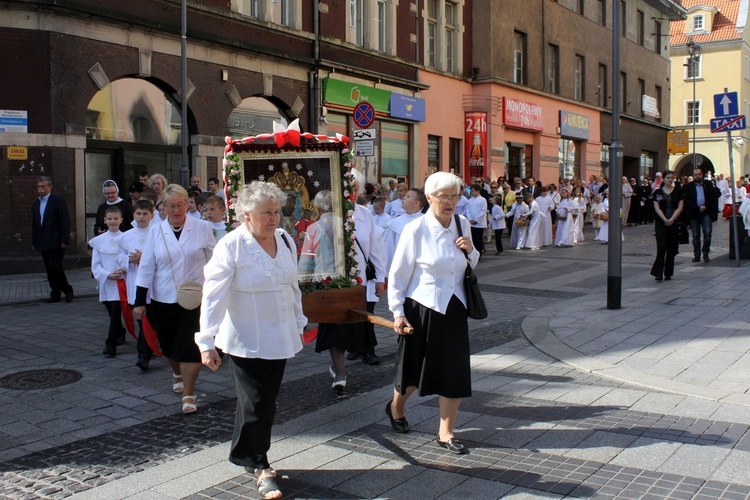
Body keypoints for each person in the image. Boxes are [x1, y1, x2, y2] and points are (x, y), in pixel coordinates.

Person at [196, 181, 306, 500]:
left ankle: (246, 454)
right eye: (266, 213)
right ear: (246, 215)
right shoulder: (231, 245)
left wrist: (299, 320)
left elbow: (292, 285)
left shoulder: (284, 239)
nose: (274, 218)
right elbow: (213, 295)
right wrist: (206, 341)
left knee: (264, 402)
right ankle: (261, 465)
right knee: (256, 402)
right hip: (247, 337)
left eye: (276, 211)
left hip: (280, 334)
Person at [387, 171, 478, 455]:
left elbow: (470, 265)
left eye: (454, 195)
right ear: (429, 198)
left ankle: (446, 432)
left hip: (454, 307)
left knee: (454, 370)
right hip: (421, 308)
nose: (450, 202)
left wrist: (471, 250)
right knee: (414, 371)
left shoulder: (463, 224)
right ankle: (396, 408)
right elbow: (398, 274)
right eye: (443, 197)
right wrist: (397, 312)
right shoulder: (415, 229)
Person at [133, 184, 216, 414]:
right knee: (168, 345)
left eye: (181, 204)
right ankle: (176, 372)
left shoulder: (201, 228)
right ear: (163, 208)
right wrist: (139, 302)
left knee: (190, 346)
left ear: (187, 205)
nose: (177, 210)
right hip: (164, 298)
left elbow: (215, 260)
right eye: (171, 206)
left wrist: (216, 288)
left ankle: (189, 395)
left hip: (194, 298)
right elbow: (147, 267)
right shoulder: (156, 231)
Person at [316, 172, 387, 379]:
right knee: (335, 327)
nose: (352, 192)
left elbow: (373, 248)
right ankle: (339, 370)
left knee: (356, 324)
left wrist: (380, 278)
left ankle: (356, 355)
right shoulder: (328, 213)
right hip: (334, 282)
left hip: (360, 282)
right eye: (348, 188)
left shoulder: (365, 214)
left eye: (356, 188)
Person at [116, 199, 155, 370]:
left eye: (145, 213)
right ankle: (144, 354)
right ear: (133, 215)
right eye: (138, 213)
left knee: (153, 320)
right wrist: (129, 259)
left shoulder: (157, 232)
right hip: (135, 281)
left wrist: (144, 257)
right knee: (143, 321)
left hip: (155, 285)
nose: (141, 217)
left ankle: (148, 349)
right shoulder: (125, 237)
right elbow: (118, 258)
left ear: (151, 216)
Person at [90, 206, 128, 356]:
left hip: (122, 282)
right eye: (110, 219)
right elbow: (96, 264)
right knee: (111, 312)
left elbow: (130, 259)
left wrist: (124, 269)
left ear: (121, 220)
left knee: (115, 313)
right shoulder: (98, 241)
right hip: (107, 282)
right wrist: (106, 275)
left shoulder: (126, 237)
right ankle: (120, 332)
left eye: (115, 218)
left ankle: (110, 344)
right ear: (105, 220)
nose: (113, 221)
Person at [32, 176, 75, 303]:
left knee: (55, 266)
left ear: (50, 187)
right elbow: (35, 224)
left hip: (56, 241)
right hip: (42, 241)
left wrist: (64, 240)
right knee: (49, 268)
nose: (40, 189)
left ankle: (67, 289)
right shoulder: (36, 203)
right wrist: (34, 241)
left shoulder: (57, 201)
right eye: (39, 187)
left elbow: (64, 221)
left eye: (43, 186)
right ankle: (55, 293)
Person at [650, 170, 684, 282]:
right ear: (663, 179)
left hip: (673, 222)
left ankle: (668, 272)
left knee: (671, 247)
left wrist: (671, 219)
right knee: (661, 246)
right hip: (661, 223)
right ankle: (658, 272)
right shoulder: (658, 192)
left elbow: (680, 206)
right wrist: (665, 219)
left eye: (672, 177)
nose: (670, 179)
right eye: (668, 177)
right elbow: (656, 207)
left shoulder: (678, 192)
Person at [384, 188, 426, 270]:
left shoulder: (426, 221)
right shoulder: (395, 223)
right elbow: (388, 249)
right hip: (399, 268)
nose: (403, 197)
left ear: (416, 203)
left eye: (408, 196)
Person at [683, 168, 717, 263]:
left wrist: (705, 206)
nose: (697, 176)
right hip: (694, 213)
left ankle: (705, 253)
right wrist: (697, 208)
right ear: (693, 176)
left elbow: (713, 197)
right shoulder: (688, 187)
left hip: (706, 212)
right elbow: (686, 201)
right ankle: (697, 255)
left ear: (702, 175)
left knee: (707, 233)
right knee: (696, 235)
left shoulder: (708, 184)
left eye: (699, 174)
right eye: (695, 174)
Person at [466, 184, 488, 255]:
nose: (471, 193)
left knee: (478, 239)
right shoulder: (470, 200)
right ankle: (473, 253)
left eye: (473, 191)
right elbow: (468, 210)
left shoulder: (483, 200)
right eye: (471, 191)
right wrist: (470, 219)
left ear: (478, 191)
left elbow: (483, 211)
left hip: (479, 224)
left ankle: (479, 253)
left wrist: (477, 220)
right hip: (471, 223)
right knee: (473, 239)